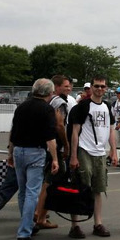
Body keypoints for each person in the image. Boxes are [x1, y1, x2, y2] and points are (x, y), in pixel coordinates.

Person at [9, 79, 59, 240]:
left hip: (19, 150)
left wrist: (10, 153)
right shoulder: (47, 109)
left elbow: (13, 132)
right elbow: (50, 138)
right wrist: (55, 158)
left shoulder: (21, 107)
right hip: (36, 151)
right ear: (49, 93)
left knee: (23, 191)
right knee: (32, 192)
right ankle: (24, 232)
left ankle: (27, 224)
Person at [68, 76, 117, 238]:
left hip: (100, 153)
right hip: (84, 150)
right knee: (79, 185)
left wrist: (114, 151)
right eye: (97, 86)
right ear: (91, 87)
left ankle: (98, 223)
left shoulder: (107, 106)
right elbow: (75, 132)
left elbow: (110, 130)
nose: (100, 89)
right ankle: (74, 225)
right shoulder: (83, 107)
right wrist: (73, 156)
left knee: (98, 188)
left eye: (103, 86)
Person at [33, 74, 72, 230]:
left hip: (40, 146)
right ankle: (39, 214)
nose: (69, 89)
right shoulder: (59, 103)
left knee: (43, 182)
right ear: (56, 87)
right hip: (53, 146)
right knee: (51, 181)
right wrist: (66, 145)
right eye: (66, 86)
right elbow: (60, 125)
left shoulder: (44, 101)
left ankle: (39, 212)